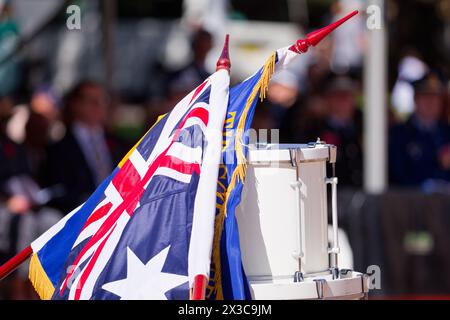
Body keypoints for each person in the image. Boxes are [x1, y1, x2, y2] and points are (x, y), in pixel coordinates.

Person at [44, 81, 126, 213]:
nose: (97, 106)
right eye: (91, 100)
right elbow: (59, 190)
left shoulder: (118, 144)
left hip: (119, 212)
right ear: (76, 104)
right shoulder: (59, 149)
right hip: (82, 215)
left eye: (102, 100)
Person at [389, 72, 450, 187]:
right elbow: (398, 175)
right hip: (412, 202)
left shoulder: (447, 132)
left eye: (435, 97)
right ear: (415, 99)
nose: (430, 102)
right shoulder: (400, 134)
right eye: (425, 96)